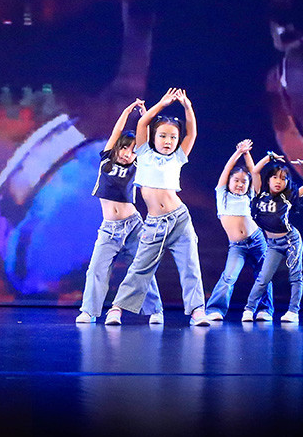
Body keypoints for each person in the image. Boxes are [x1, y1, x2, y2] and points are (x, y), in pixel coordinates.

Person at [105, 88, 210, 326]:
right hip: (154, 224)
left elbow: (192, 132)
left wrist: (187, 107)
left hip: (180, 220)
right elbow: (143, 123)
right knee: (140, 268)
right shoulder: (143, 152)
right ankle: (117, 309)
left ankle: (197, 311)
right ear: (154, 137)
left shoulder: (178, 157)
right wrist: (162, 104)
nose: (168, 141)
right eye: (163, 136)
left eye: (172, 137)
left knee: (190, 266)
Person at [76, 100, 164, 324]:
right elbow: (117, 131)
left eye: (133, 151)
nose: (127, 154)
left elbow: (148, 143)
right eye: (124, 148)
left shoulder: (137, 167)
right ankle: (89, 311)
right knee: (96, 269)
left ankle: (155, 310)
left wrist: (145, 116)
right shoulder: (106, 158)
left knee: (142, 268)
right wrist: (127, 111)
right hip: (109, 229)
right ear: (117, 147)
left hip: (133, 226)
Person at [203, 140, 275, 322]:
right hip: (237, 246)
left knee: (263, 275)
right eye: (236, 180)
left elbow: (253, 172)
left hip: (257, 240)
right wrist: (238, 152)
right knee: (229, 276)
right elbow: (226, 170)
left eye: (244, 182)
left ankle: (265, 310)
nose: (240, 184)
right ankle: (215, 310)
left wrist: (247, 153)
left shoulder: (249, 196)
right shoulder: (222, 195)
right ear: (229, 182)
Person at [242, 152, 303, 323]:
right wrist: (269, 158)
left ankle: (293, 312)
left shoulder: (287, 197)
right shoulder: (260, 193)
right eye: (275, 177)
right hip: (273, 244)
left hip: (291, 241)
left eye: (283, 178)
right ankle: (249, 310)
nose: (278, 181)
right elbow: (255, 171)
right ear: (268, 180)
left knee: (295, 276)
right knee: (263, 278)